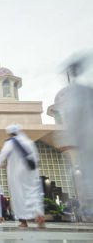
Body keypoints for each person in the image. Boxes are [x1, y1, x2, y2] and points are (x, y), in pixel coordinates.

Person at [61, 52, 93, 220]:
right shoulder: (87, 89)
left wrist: (70, 139)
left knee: (87, 172)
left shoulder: (75, 91)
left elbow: (73, 113)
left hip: (86, 139)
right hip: (86, 137)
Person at [0, 124, 45, 228]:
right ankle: (39, 214)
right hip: (30, 173)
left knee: (19, 196)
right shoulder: (29, 142)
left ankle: (23, 221)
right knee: (32, 193)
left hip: (17, 175)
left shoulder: (11, 142)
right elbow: (36, 159)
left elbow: (3, 155)